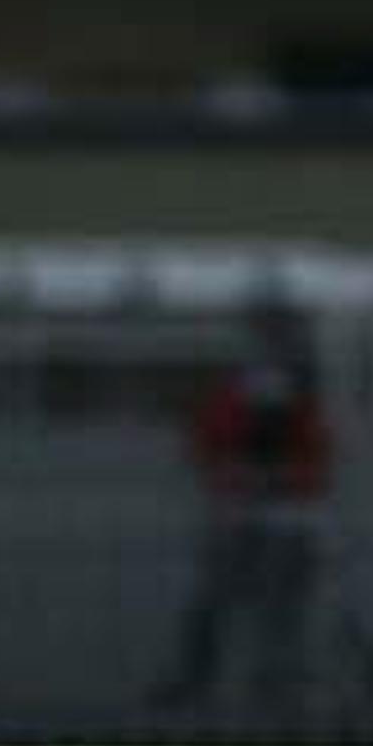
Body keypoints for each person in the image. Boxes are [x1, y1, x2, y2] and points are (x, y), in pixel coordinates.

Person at [146, 306, 337, 718]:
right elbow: (206, 444)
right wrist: (235, 479)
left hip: (288, 515)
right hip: (241, 511)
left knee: (280, 607)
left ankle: (278, 682)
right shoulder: (235, 394)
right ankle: (201, 678)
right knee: (215, 600)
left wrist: (278, 480)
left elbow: (316, 458)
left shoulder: (302, 394)